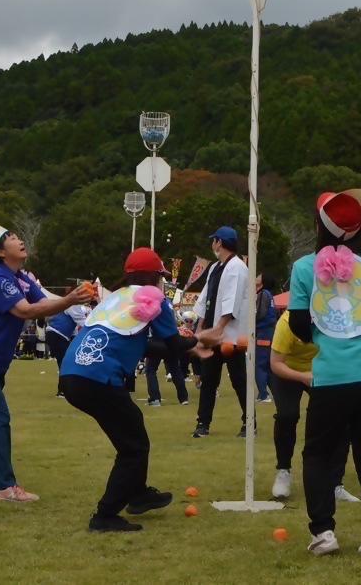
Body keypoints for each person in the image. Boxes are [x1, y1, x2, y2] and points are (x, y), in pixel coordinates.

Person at [286, 190, 361, 560]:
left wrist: (322, 338)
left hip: (334, 374)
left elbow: (297, 323)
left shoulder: (305, 267)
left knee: (319, 455)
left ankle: (323, 533)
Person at [0, 220, 92, 502]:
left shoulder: (21, 277)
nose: (20, 240)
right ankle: (5, 487)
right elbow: (26, 311)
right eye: (12, 238)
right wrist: (71, 300)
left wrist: (80, 299)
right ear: (0, 252)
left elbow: (46, 300)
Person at [58, 247, 192, 532]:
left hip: (73, 374)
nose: (162, 282)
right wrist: (204, 343)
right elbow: (173, 345)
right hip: (98, 378)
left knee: (132, 429)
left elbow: (141, 343)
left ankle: (138, 492)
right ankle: (105, 515)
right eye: (161, 276)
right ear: (155, 276)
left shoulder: (116, 298)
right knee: (134, 447)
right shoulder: (153, 299)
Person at [268, 306, 359, 504]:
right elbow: (275, 364)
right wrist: (303, 377)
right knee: (287, 415)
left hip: (322, 370)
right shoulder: (286, 323)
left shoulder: (334, 317)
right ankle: (283, 470)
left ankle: (336, 483)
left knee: (340, 419)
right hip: (288, 371)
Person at [191, 226, 252, 439]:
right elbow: (205, 299)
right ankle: (203, 423)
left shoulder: (237, 267)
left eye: (214, 240)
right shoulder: (216, 267)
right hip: (213, 333)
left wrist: (219, 328)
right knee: (209, 379)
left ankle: (249, 421)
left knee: (238, 379)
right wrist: (201, 329)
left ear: (219, 242)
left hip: (231, 335)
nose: (212, 244)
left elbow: (232, 300)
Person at [44, 296, 87, 397]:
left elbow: (74, 330)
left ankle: (65, 389)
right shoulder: (74, 304)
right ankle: (63, 390)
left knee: (66, 362)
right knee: (65, 363)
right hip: (57, 334)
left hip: (56, 335)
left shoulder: (73, 305)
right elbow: (82, 321)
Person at [254, 272, 277, 402]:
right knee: (267, 365)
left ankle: (263, 394)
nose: (256, 277)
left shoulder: (263, 294)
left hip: (263, 332)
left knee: (260, 364)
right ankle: (273, 392)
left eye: (259, 276)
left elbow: (260, 314)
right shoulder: (269, 295)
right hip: (269, 332)